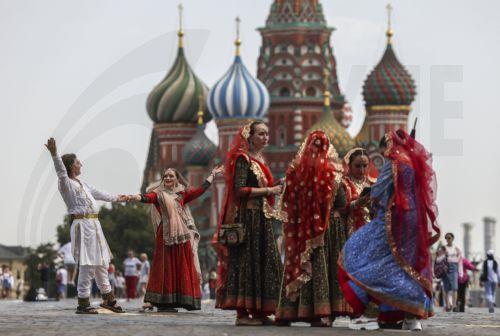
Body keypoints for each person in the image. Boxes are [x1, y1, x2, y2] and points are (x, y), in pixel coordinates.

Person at [338, 130, 440, 331]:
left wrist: (372, 204)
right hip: (413, 221)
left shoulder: (392, 163)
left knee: (358, 254)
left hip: (393, 220)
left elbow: (379, 192)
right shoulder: (413, 161)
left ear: (388, 146)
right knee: (408, 267)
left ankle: (371, 310)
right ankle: (409, 316)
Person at [275, 130, 349, 326]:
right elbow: (342, 204)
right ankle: (319, 313)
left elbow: (287, 203)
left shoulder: (294, 174)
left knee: (295, 265)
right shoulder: (333, 176)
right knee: (319, 268)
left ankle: (287, 312)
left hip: (299, 232)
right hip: (323, 231)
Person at [45, 137, 126, 314]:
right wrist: (54, 155)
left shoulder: (83, 183)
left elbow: (100, 193)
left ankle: (109, 299)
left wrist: (119, 198)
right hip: (83, 226)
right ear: (71, 166)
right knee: (89, 264)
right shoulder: (65, 183)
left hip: (94, 225)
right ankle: (83, 303)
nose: (80, 164)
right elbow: (60, 171)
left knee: (101, 263)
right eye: (77, 162)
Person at [214, 121, 284, 326]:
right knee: (248, 263)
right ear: (249, 136)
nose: (266, 138)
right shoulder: (243, 160)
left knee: (265, 262)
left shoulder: (260, 159)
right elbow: (240, 190)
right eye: (261, 134)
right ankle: (242, 314)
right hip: (249, 218)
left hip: (262, 218)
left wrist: (276, 186)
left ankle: (260, 311)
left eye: (267, 134)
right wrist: (269, 191)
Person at [129, 165, 223, 312]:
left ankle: (180, 300)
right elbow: (148, 198)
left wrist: (212, 175)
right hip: (165, 235)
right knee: (163, 267)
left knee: (181, 267)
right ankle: (161, 301)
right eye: (165, 176)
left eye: (171, 176)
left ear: (177, 179)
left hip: (181, 236)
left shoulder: (182, 194)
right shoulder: (158, 194)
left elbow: (200, 191)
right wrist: (135, 197)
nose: (167, 178)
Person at [341, 148, 377, 233]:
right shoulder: (343, 183)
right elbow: (340, 210)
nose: (362, 170)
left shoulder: (373, 182)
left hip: (372, 228)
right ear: (349, 165)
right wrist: (356, 203)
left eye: (365, 166)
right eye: (357, 166)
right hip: (352, 229)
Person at [442, 233, 464, 312]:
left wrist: (460, 272)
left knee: (455, 287)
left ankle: (454, 306)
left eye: (449, 238)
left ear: (452, 238)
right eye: (446, 238)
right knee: (446, 288)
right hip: (445, 268)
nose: (448, 239)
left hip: (454, 267)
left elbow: (460, 261)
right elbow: (438, 260)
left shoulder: (457, 249)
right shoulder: (443, 248)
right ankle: (447, 305)